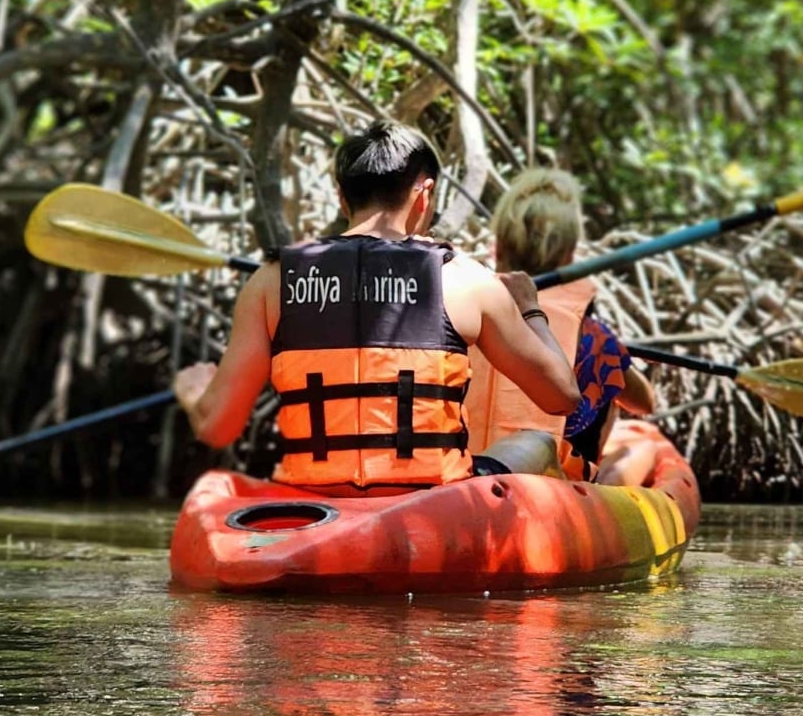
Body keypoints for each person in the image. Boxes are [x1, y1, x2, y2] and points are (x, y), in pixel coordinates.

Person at [172, 120, 580, 496]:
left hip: (316, 502)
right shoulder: (467, 280)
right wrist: (530, 308)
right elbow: (561, 396)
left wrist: (194, 393)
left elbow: (216, 425)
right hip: (434, 502)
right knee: (537, 442)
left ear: (341, 197)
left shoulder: (271, 280)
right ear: (424, 194)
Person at [465, 168, 656, 480]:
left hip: (461, 476)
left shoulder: (459, 310)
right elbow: (644, 403)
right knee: (640, 445)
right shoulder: (594, 338)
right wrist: (622, 356)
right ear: (569, 253)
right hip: (550, 487)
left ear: (498, 244)